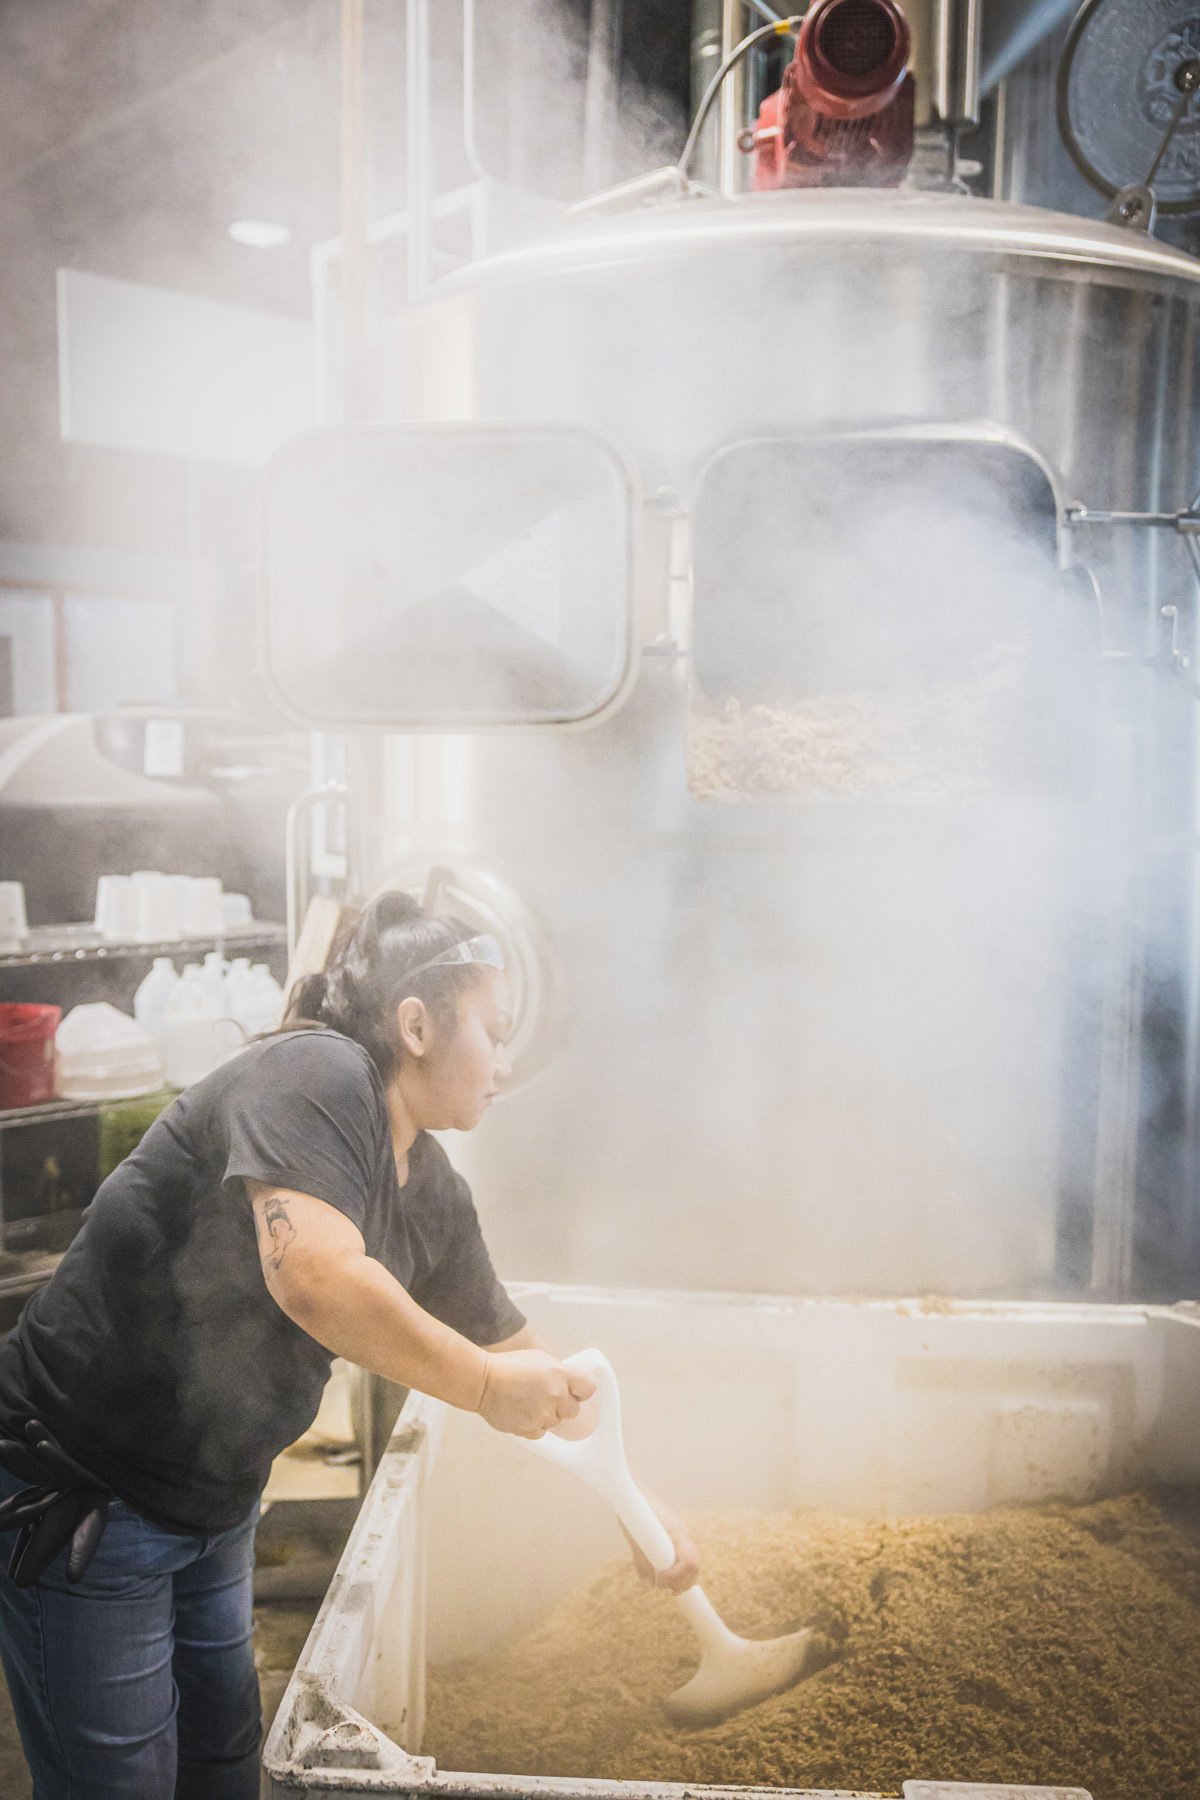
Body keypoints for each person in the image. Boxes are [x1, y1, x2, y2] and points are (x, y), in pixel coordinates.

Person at [0, 892, 698, 1799]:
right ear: (415, 1025)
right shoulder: (313, 1074)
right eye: (494, 1029)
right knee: (124, 1783)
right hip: (88, 1494)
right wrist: (485, 1386)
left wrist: (636, 1505)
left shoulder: (430, 1189)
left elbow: (527, 1355)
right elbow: (316, 1277)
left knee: (222, 1758)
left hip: (212, 1499)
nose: (506, 1059)